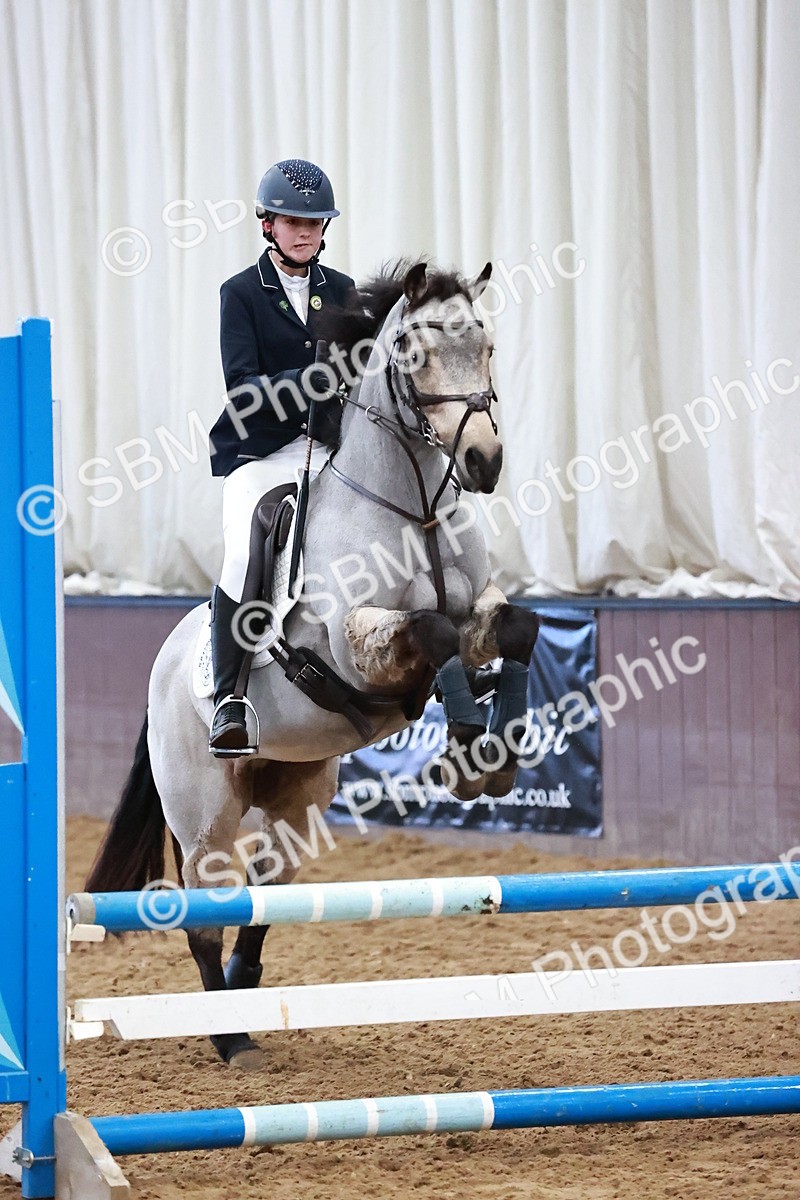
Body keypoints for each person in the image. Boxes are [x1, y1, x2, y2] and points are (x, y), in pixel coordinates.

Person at [207, 158, 355, 755]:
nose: (306, 232)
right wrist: (308, 379)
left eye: (316, 223)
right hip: (262, 451)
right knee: (247, 543)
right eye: (294, 221)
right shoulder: (240, 294)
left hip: (330, 447)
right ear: (268, 223)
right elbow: (242, 389)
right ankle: (229, 698)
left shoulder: (342, 291)